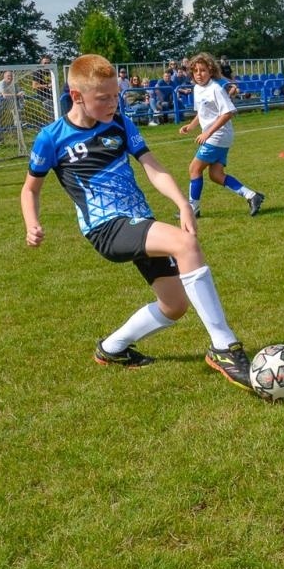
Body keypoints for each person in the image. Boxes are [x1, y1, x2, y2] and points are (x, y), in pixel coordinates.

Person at [20, 54, 253, 386]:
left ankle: (112, 348)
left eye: (116, 95)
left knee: (174, 306)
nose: (113, 103)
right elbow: (30, 189)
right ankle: (224, 347)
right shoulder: (52, 138)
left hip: (139, 219)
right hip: (106, 228)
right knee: (185, 244)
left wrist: (183, 204)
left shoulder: (119, 124)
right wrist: (32, 223)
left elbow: (152, 167)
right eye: (103, 98)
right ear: (76, 96)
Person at [178, 52, 264, 218]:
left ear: (211, 71)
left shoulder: (216, 89)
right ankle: (252, 196)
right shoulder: (197, 89)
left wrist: (208, 133)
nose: (198, 74)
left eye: (203, 70)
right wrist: (191, 126)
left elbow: (228, 113)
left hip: (218, 136)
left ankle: (193, 208)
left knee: (194, 169)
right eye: (195, 71)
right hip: (219, 137)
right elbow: (202, 112)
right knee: (216, 175)